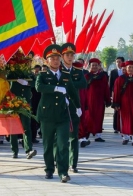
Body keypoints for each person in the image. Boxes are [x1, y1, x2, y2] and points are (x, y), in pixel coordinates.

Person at [35, 44, 81, 183]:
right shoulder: (42, 75)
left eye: (57, 58)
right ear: (47, 61)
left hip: (62, 116)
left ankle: (63, 172)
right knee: (48, 144)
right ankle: (49, 169)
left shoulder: (66, 75)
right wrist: (55, 88)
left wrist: (78, 106)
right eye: (52, 58)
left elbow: (72, 92)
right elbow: (39, 87)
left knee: (63, 144)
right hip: (47, 115)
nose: (55, 60)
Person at [60, 43, 86, 173]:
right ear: (62, 56)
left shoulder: (77, 70)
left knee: (74, 136)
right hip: (60, 106)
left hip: (75, 106)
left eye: (72, 55)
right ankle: (59, 162)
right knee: (59, 137)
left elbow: (83, 83)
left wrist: (69, 84)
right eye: (67, 55)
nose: (70, 57)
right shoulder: (57, 69)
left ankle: (73, 163)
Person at [112, 60, 133, 146]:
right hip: (124, 104)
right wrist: (116, 103)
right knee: (124, 121)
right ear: (126, 68)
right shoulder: (120, 79)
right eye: (129, 67)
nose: (131, 69)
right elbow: (116, 92)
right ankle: (125, 138)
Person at [84, 58, 111, 144]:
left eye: (96, 65)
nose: (94, 67)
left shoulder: (103, 76)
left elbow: (106, 88)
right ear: (90, 66)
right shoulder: (86, 77)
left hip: (100, 101)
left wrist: (107, 99)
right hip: (89, 101)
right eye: (93, 65)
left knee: (99, 117)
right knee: (88, 117)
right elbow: (83, 90)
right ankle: (86, 134)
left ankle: (98, 136)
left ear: (99, 66)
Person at [109, 57, 125, 133]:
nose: (118, 63)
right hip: (115, 93)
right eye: (117, 62)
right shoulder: (113, 72)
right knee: (116, 110)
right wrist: (110, 95)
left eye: (119, 62)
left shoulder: (126, 71)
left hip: (124, 94)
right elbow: (110, 84)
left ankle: (124, 126)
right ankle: (116, 127)